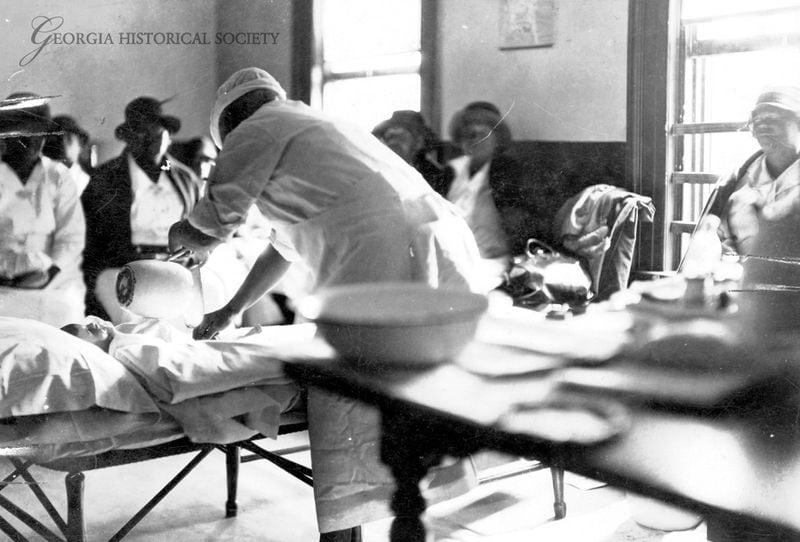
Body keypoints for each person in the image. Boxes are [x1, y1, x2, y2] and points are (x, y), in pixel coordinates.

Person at [168, 67, 481, 542]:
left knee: (346, 390)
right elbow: (283, 247)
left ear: (229, 122)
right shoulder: (309, 126)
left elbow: (210, 228)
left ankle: (344, 532)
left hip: (385, 253)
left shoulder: (255, 130)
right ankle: (401, 517)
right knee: (412, 386)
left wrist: (177, 235)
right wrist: (230, 311)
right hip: (440, 243)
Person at [81, 96, 202, 323]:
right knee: (135, 326)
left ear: (168, 135)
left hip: (175, 267)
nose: (150, 141)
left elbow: (198, 228)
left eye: (157, 133)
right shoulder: (105, 177)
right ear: (128, 138)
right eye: (141, 133)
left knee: (191, 320)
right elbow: (90, 241)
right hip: (123, 267)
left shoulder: (186, 179)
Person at [0, 92, 86, 326]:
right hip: (3, 283)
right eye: (22, 136)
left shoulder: (58, 176)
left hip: (52, 283)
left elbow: (71, 237)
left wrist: (50, 272)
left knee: (65, 317)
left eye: (37, 136)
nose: (31, 144)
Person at [434, 101, 537, 263]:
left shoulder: (507, 170)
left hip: (492, 258)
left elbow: (519, 224)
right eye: (468, 135)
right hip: (451, 255)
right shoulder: (452, 171)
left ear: (497, 139)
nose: (474, 140)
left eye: (482, 134)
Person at [704, 86, 800, 256]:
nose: (763, 125)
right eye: (757, 119)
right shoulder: (735, 180)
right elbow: (709, 241)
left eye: (774, 117)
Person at [372, 109, 444, 187]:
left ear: (419, 142)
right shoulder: (378, 168)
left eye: (399, 139)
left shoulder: (434, 175)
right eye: (388, 139)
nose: (390, 132)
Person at [42, 115, 92, 194]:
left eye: (69, 140)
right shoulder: (42, 170)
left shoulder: (83, 178)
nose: (64, 144)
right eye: (59, 139)